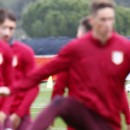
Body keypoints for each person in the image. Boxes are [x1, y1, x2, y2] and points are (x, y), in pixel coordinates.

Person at [14, 1, 130, 130]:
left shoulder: (124, 48)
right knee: (60, 103)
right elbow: (47, 73)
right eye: (103, 19)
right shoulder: (76, 49)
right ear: (93, 21)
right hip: (80, 118)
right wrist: (13, 88)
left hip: (107, 124)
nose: (108, 24)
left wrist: (128, 117)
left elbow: (120, 91)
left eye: (110, 19)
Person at [0, 9, 39, 130]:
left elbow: (34, 86)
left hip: (21, 115)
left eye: (11, 29)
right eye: (4, 27)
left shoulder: (25, 52)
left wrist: (19, 114)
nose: (7, 33)